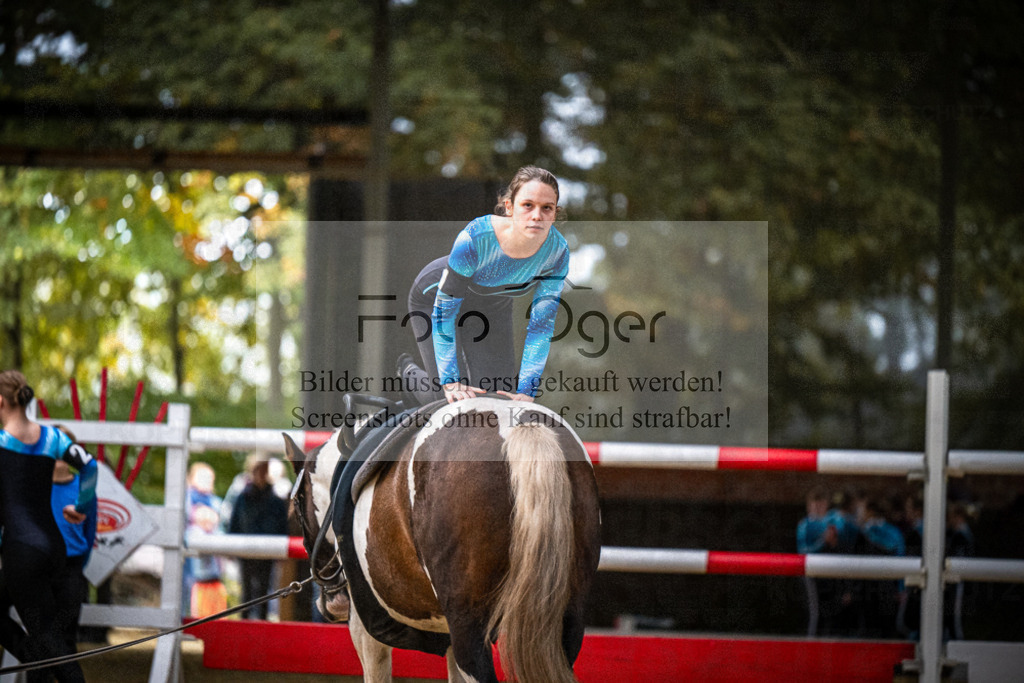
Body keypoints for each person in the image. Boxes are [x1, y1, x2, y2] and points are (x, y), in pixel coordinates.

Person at [399, 165, 570, 405]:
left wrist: (527, 390)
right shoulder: (476, 237)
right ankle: (407, 372)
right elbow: (445, 310)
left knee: (496, 399)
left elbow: (541, 326)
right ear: (509, 207)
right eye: (527, 205)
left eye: (546, 208)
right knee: (448, 398)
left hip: (492, 306)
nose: (536, 216)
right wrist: (450, 382)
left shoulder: (557, 254)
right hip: (434, 299)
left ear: (555, 213)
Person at [0, 369, 96, 683]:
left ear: (1, 402)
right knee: (48, 638)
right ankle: (34, 657)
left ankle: (36, 657)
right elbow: (90, 465)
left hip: (21, 553)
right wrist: (81, 507)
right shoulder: (53, 438)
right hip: (53, 549)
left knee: (49, 640)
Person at [50, 426, 98, 658]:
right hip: (39, 568)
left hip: (71, 567)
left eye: (66, 449)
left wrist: (79, 564)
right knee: (41, 636)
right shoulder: (32, 486)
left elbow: (90, 531)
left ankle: (68, 672)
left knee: (67, 637)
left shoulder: (84, 488)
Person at [228, 455, 289, 619]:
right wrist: (230, 547)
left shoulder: (275, 500)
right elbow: (235, 522)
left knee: (263, 590)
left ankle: (261, 623)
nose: (260, 475)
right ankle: (245, 622)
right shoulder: (242, 498)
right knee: (246, 590)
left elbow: (282, 525)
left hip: (267, 551)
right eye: (257, 470)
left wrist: (281, 551)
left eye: (263, 470)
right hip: (245, 550)